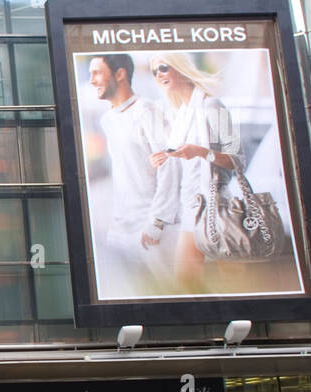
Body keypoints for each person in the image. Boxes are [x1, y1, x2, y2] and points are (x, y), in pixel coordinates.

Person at [147, 52, 241, 290]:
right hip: (191, 208)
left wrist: (200, 152)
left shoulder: (211, 105)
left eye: (164, 68)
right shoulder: (183, 115)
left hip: (216, 206)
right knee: (187, 281)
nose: (159, 74)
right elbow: (185, 165)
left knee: (233, 279)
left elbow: (238, 160)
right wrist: (165, 157)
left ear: (180, 68)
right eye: (154, 71)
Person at [88, 53, 178, 293]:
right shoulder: (108, 120)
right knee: (132, 294)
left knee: (171, 293)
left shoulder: (147, 111)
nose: (92, 80)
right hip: (123, 224)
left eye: (97, 73)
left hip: (153, 224)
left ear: (120, 74)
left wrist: (158, 220)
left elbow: (170, 166)